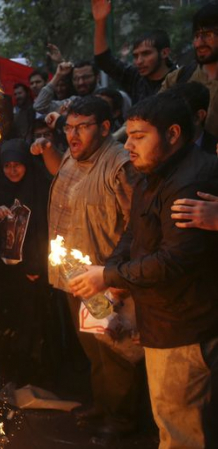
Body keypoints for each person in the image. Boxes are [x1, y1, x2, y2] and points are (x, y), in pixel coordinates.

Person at [69, 94, 218, 449]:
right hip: (162, 317)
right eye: (129, 135)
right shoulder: (152, 173)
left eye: (140, 136)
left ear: (173, 134)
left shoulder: (190, 181)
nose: (129, 145)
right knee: (171, 417)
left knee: (180, 430)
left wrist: (107, 277)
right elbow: (134, 232)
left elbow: (173, 261)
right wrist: (113, 276)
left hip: (183, 326)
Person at [32, 96, 142, 438]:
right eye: (69, 127)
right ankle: (104, 404)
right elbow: (61, 172)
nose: (73, 135)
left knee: (116, 352)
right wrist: (49, 149)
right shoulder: (73, 153)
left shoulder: (120, 164)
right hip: (72, 276)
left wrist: (119, 276)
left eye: (82, 127)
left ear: (106, 127)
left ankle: (123, 420)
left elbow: (139, 225)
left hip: (103, 281)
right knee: (93, 348)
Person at [0, 139, 53, 386]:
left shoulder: (38, 187)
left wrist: (35, 266)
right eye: (8, 166)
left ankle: (36, 372)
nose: (12, 171)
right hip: (7, 270)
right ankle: (13, 368)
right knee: (11, 318)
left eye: (18, 165)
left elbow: (43, 230)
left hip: (33, 269)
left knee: (34, 321)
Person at [92, 0, 173, 104]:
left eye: (146, 53)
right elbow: (103, 60)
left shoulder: (181, 79)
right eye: (135, 56)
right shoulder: (136, 78)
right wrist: (100, 22)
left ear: (164, 53)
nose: (139, 61)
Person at [160, 3, 218, 137]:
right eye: (197, 35)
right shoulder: (178, 78)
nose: (199, 43)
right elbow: (155, 117)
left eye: (208, 34)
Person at [34, 61, 99, 114]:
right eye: (76, 79)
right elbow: (40, 106)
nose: (81, 82)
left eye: (86, 77)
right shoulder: (73, 102)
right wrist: (58, 75)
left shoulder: (105, 97)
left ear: (97, 77)